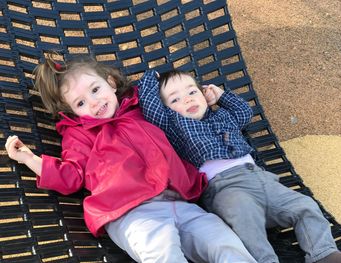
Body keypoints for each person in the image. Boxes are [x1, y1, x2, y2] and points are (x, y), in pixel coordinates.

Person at [4, 54, 257, 263]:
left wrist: (207, 97)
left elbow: (177, 104)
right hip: (130, 212)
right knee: (163, 252)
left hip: (181, 201)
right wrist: (29, 159)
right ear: (73, 112)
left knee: (224, 242)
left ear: (111, 83)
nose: (94, 102)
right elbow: (71, 175)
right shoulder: (79, 135)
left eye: (96, 89)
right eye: (81, 103)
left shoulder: (142, 107)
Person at [138, 70, 341, 263]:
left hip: (262, 179)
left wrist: (220, 96)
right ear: (167, 109)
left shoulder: (223, 116)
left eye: (192, 91)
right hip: (226, 188)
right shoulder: (175, 127)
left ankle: (323, 253)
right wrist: (150, 77)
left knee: (305, 206)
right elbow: (151, 108)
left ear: (204, 95)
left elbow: (244, 112)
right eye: (175, 99)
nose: (187, 99)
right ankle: (265, 260)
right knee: (243, 216)